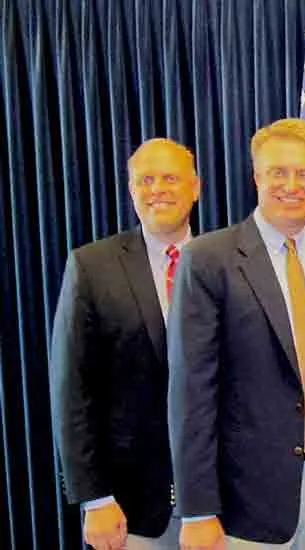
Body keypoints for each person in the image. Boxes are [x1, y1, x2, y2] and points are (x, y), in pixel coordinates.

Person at [168, 119, 305, 549]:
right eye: (278, 172)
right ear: (256, 176)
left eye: (304, 173)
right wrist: (197, 509)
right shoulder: (207, 260)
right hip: (244, 505)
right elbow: (191, 391)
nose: (291, 185)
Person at [50, 138, 201, 550]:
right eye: (145, 180)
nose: (158, 190)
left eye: (170, 178)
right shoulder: (91, 267)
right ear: (131, 190)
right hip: (129, 509)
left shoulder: (223, 262)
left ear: (195, 188)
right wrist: (94, 498)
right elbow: (72, 390)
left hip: (222, 508)